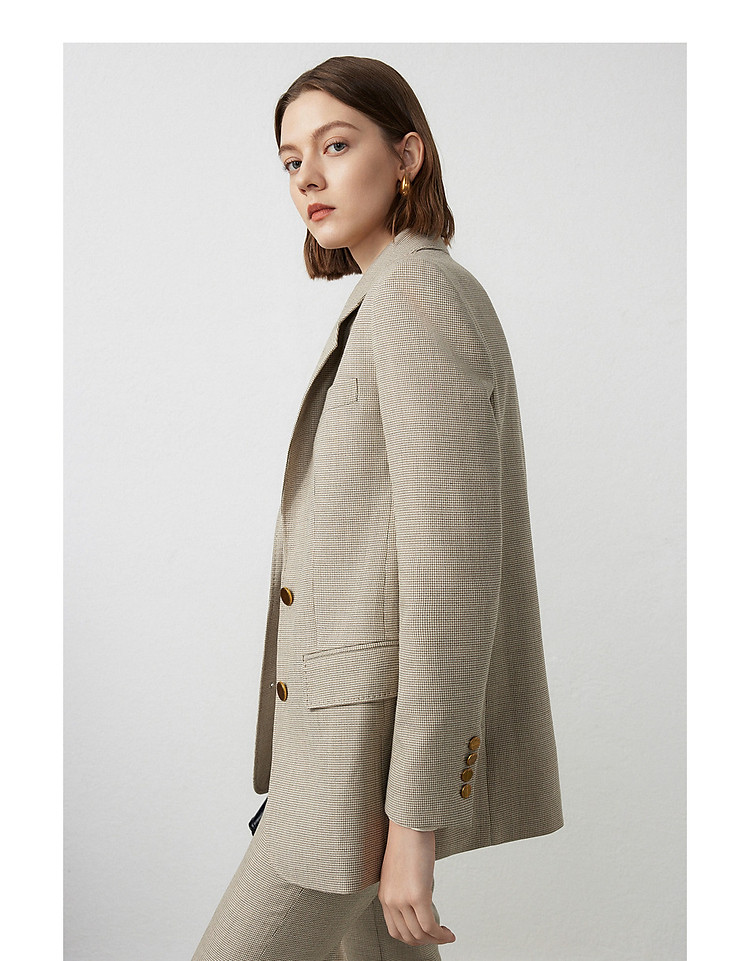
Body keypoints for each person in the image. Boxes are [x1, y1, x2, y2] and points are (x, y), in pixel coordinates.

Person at [191, 55, 564, 961]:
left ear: (406, 156)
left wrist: (415, 823)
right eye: (291, 160)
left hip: (356, 769)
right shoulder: (386, 296)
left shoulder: (418, 295)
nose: (307, 178)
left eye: (335, 145)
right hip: (341, 755)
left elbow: (453, 576)